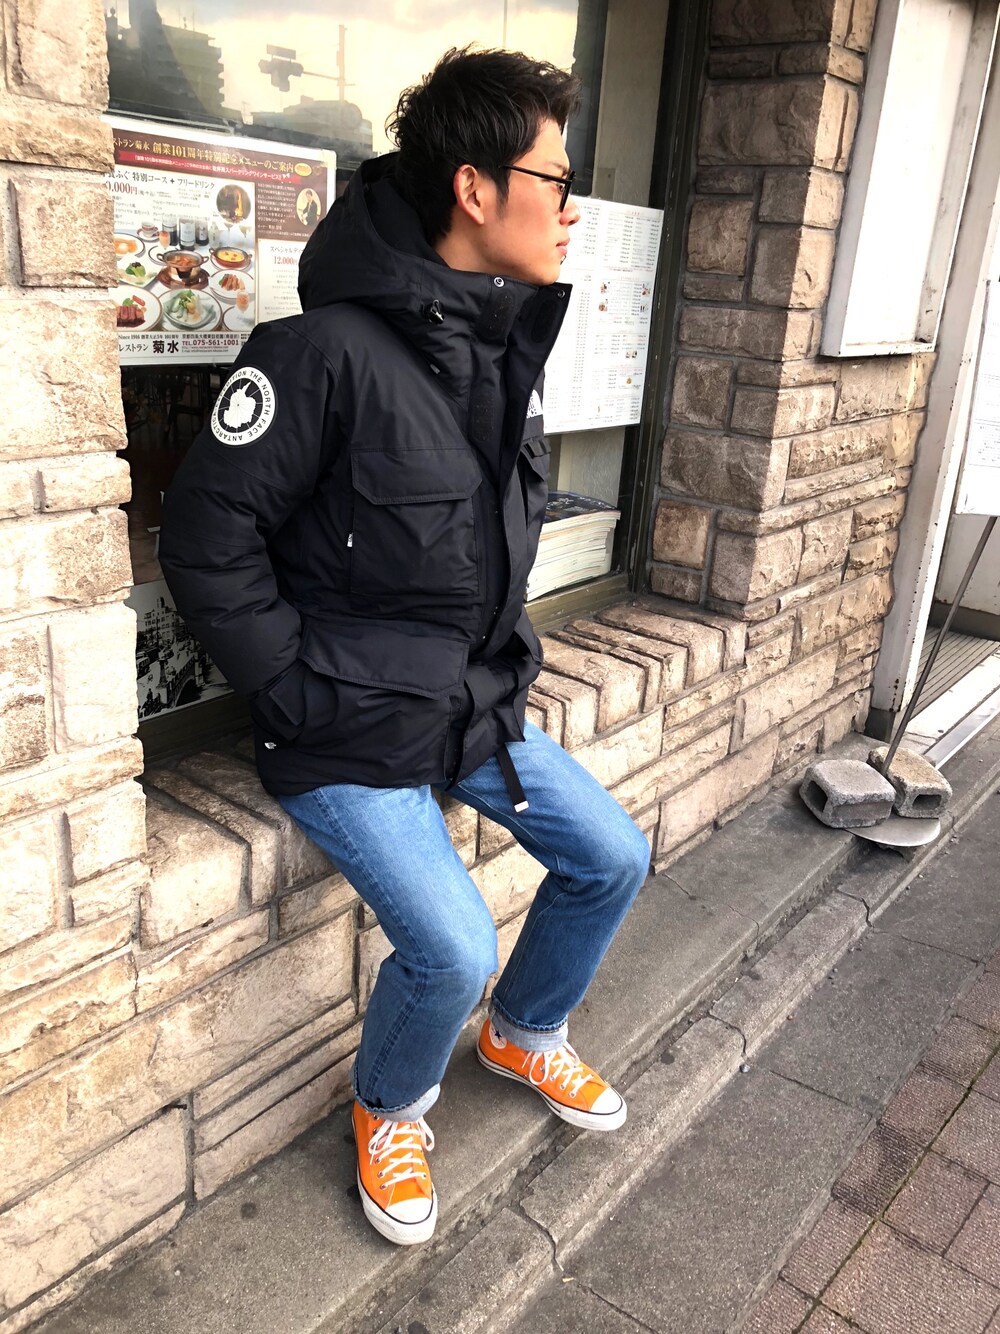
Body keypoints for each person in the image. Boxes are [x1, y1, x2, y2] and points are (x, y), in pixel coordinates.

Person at [159, 47, 650, 1248]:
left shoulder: (502, 352)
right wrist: (293, 686)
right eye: (556, 179)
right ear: (475, 188)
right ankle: (390, 1106)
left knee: (610, 856)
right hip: (341, 727)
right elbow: (207, 543)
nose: (572, 207)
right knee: (451, 945)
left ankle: (524, 1032)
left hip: (466, 710)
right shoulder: (318, 354)